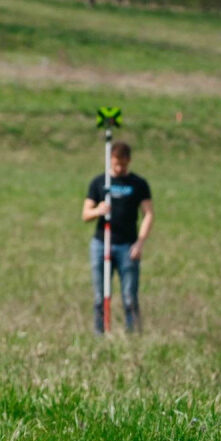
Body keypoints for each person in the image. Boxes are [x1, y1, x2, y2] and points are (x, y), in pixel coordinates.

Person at [82, 141, 154, 333]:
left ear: (129, 160)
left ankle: (133, 335)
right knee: (100, 296)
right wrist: (98, 210)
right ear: (109, 160)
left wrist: (140, 243)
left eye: (123, 163)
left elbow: (148, 214)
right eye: (115, 163)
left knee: (129, 297)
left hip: (128, 246)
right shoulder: (99, 183)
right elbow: (85, 214)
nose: (119, 167)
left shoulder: (138, 184)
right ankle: (100, 335)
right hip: (101, 245)